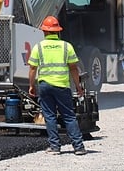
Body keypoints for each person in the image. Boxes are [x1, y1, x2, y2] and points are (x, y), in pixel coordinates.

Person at [28, 15, 87, 155]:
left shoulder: (38, 47)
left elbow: (32, 69)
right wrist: (78, 86)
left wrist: (32, 85)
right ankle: (78, 147)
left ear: (45, 32)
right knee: (69, 116)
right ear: (57, 31)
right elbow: (73, 68)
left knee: (50, 116)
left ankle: (55, 147)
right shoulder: (67, 47)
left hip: (45, 86)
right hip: (62, 86)